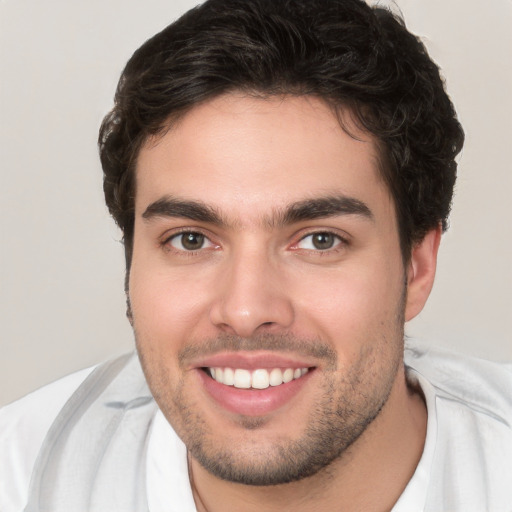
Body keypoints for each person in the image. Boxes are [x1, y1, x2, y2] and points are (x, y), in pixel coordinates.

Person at [1, 0, 511, 510]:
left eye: (319, 240)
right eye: (191, 239)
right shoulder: (21, 478)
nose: (246, 310)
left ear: (417, 268)